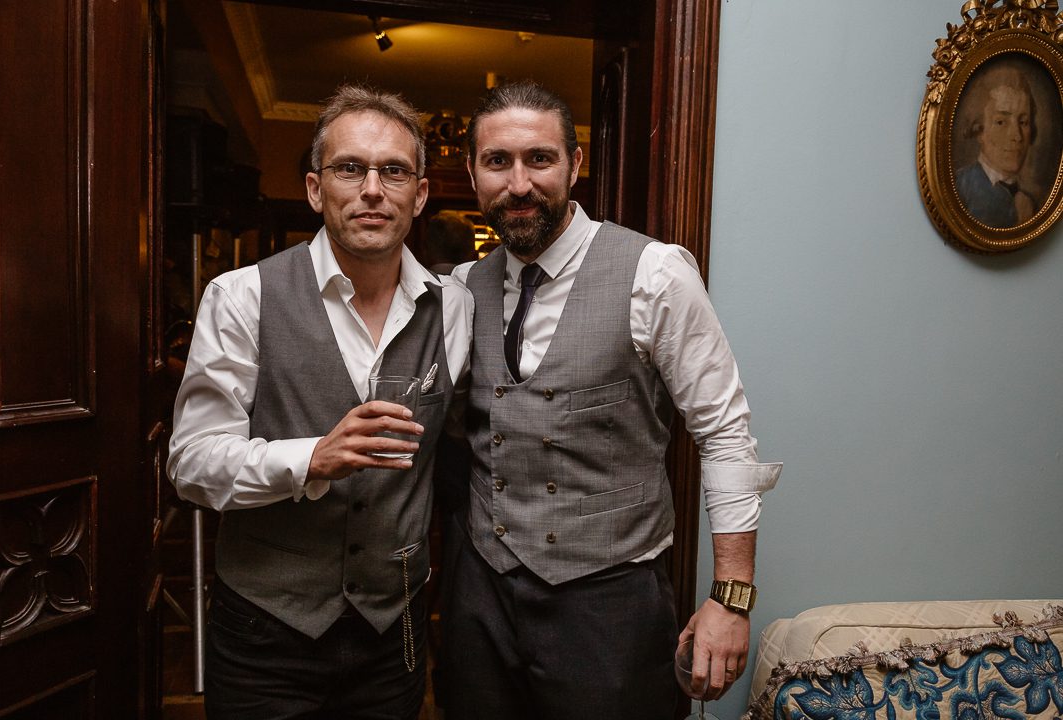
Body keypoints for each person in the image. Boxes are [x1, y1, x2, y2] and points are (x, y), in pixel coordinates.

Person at [442, 80, 782, 720]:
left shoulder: (656, 274)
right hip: (482, 598)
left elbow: (725, 434)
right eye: (498, 161)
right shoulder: (462, 288)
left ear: (575, 164)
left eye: (540, 159)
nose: (519, 183)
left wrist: (731, 599)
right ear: (473, 173)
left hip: (610, 605)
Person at [167, 83, 472, 720]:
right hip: (266, 633)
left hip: (395, 630)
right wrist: (310, 459)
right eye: (349, 168)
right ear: (314, 189)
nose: (372, 189)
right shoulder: (242, 296)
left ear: (419, 195)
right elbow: (192, 463)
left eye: (393, 171)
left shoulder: (456, 309)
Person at [955, 64, 1039, 227]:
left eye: (1023, 122)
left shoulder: (1028, 203)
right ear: (979, 130)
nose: (1017, 136)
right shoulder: (960, 188)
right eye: (1001, 122)